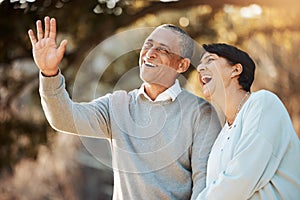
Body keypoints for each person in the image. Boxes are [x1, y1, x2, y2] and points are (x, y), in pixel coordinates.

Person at [28, 16, 221, 200]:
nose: (150, 53)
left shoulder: (200, 113)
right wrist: (49, 73)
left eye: (163, 50)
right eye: (148, 44)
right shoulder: (117, 105)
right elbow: (64, 119)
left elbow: (203, 184)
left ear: (182, 65)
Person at [196, 43, 300, 199]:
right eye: (199, 64)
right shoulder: (221, 137)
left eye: (210, 60)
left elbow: (242, 177)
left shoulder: (263, 102)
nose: (199, 68)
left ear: (236, 70)